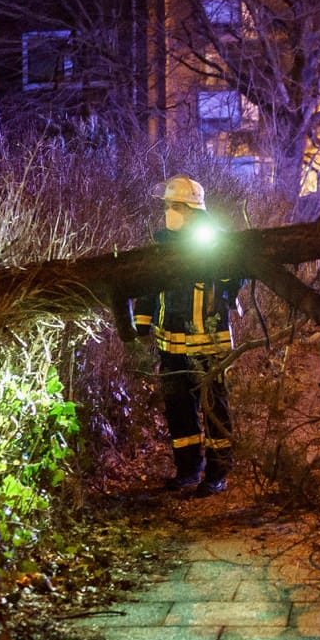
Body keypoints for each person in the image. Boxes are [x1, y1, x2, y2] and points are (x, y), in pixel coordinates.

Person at [124, 175, 243, 496]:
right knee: (178, 410)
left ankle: (218, 474)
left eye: (173, 206)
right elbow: (149, 289)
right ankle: (189, 469)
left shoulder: (216, 241)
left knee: (215, 409)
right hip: (170, 345)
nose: (168, 212)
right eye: (166, 206)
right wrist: (142, 326)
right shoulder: (163, 244)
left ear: (192, 209)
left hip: (210, 345)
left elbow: (235, 281)